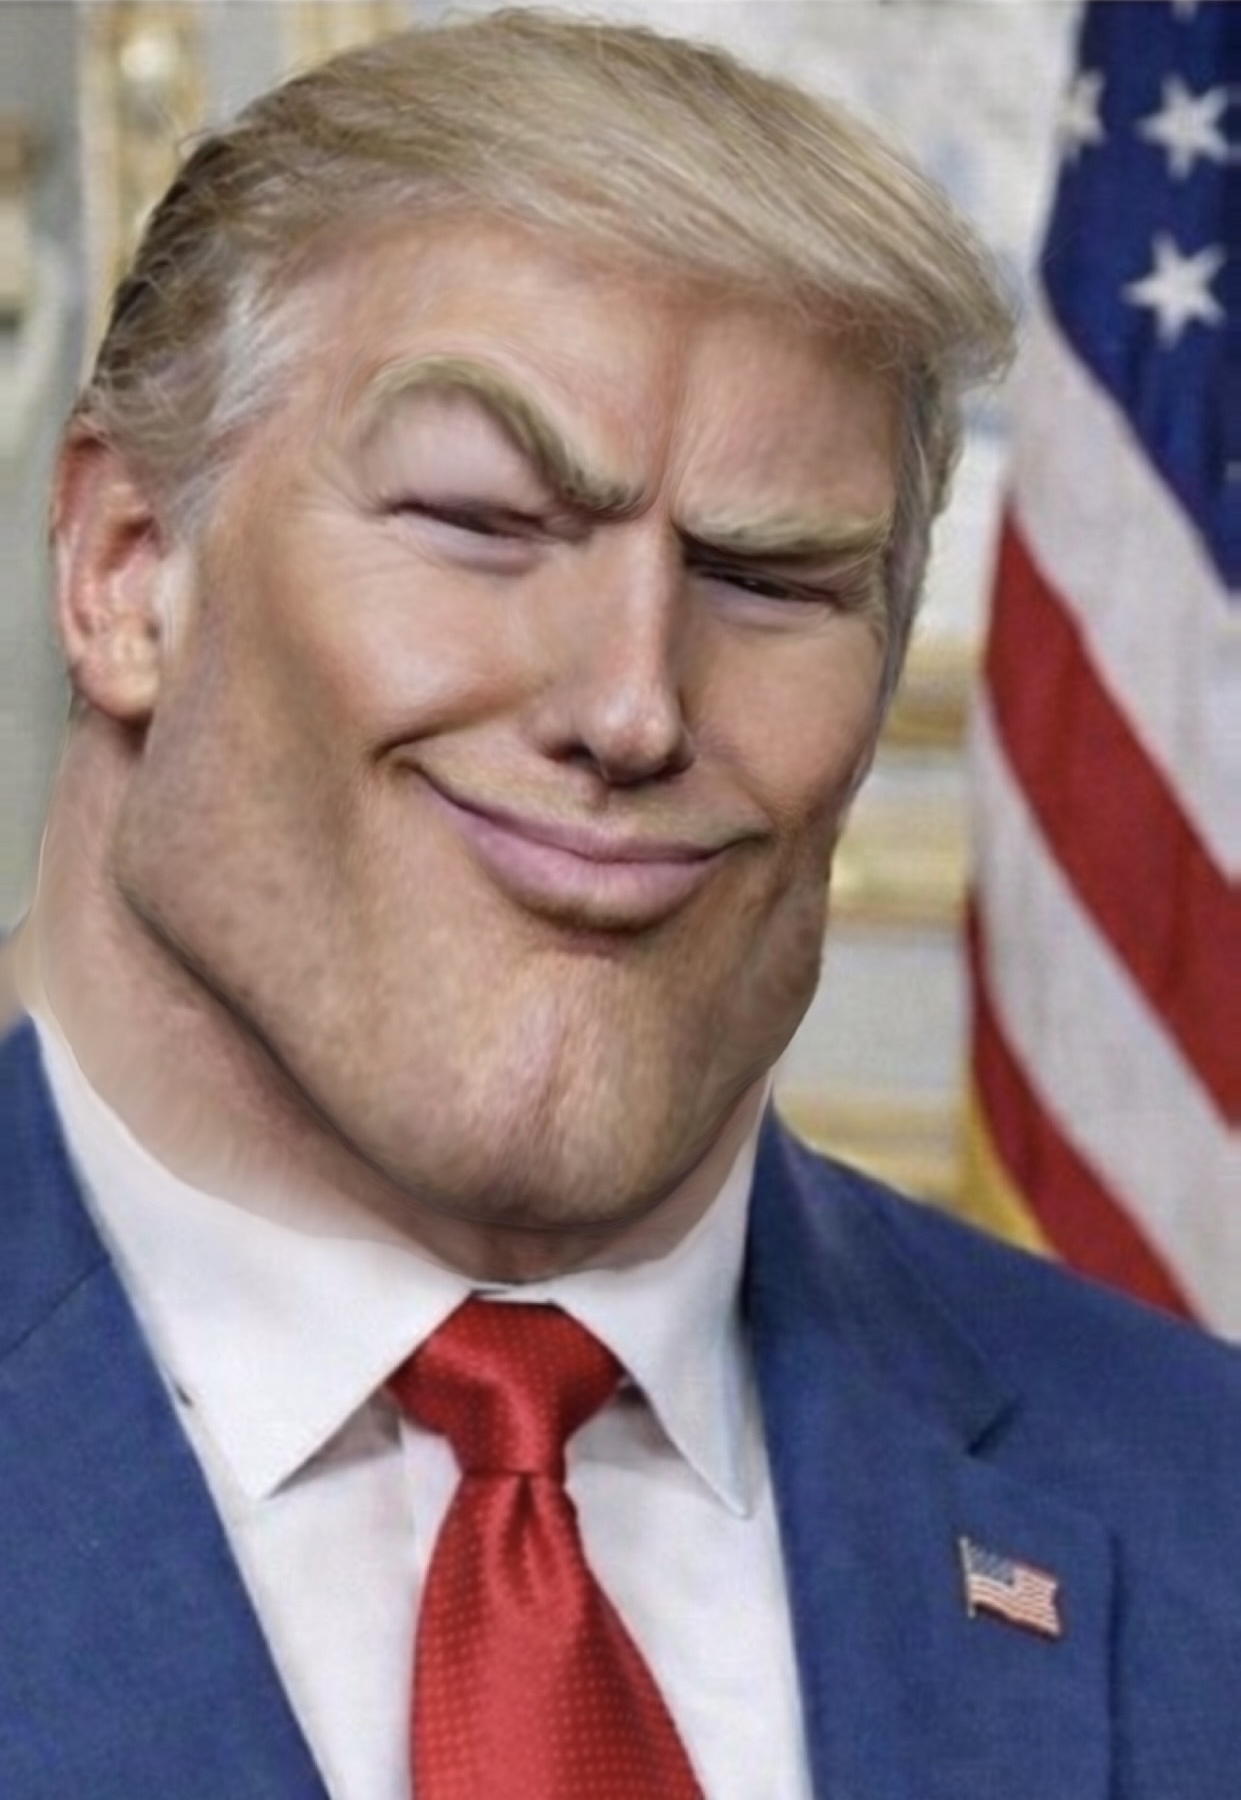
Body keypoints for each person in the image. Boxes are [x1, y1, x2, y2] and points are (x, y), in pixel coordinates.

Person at [2, 10, 1239, 1798]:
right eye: (482, 522)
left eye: (770, 579)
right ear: (129, 576)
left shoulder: (1198, 1517)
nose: (633, 705)